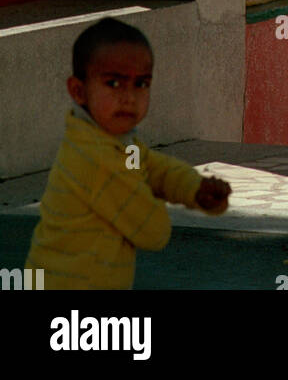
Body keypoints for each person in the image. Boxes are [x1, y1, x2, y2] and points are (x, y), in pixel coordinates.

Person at [25, 17, 231, 289]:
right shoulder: (96, 159)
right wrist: (151, 192)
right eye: (113, 83)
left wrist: (194, 189)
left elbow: (150, 166)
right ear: (78, 91)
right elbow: (152, 231)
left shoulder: (120, 142)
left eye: (141, 84)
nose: (129, 97)